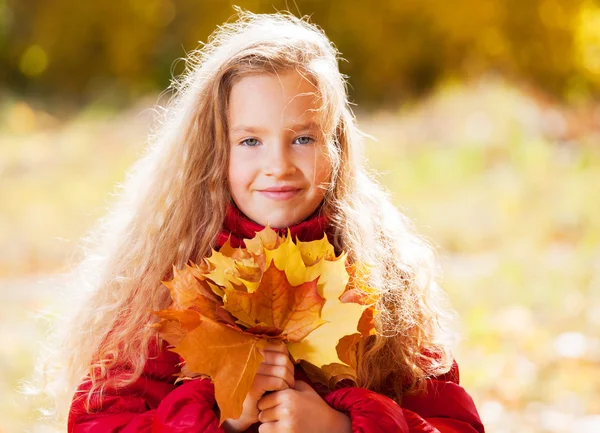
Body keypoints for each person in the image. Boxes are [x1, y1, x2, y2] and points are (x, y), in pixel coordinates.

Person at [47, 9, 484, 433]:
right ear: (217, 153)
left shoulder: (382, 283)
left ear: (337, 149)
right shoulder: (167, 286)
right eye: (251, 140)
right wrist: (223, 413)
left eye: (303, 138)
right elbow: (98, 422)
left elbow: (454, 424)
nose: (278, 164)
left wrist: (344, 426)